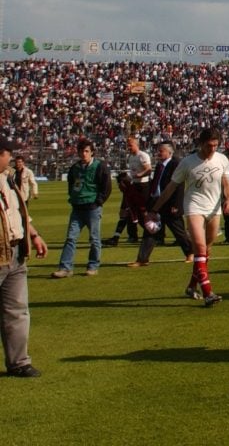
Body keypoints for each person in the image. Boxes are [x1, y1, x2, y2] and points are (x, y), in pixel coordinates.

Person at [153, 127, 229, 306]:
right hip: (194, 207)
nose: (212, 149)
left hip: (214, 209)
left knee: (206, 252)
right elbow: (171, 187)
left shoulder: (222, 159)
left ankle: (191, 287)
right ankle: (208, 293)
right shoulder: (188, 162)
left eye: (215, 145)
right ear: (201, 144)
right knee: (200, 247)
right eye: (209, 145)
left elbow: (227, 184)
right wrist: (155, 208)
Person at [0, 139, 49, 377]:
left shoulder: (8, 178)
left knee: (17, 310)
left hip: (16, 251)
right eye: (7, 155)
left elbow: (18, 211)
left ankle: (19, 362)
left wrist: (34, 234)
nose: (10, 160)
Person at [52, 138, 112, 278]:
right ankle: (65, 268)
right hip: (77, 208)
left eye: (87, 151)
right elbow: (71, 184)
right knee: (71, 238)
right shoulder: (75, 168)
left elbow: (106, 187)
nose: (84, 154)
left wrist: (99, 201)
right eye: (81, 151)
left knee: (94, 239)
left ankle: (93, 266)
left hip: (92, 208)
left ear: (92, 153)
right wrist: (73, 197)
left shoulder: (100, 166)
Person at [129, 141, 193, 267]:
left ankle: (190, 252)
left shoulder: (175, 164)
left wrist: (176, 205)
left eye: (161, 150)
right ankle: (142, 259)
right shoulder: (159, 165)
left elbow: (179, 186)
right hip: (157, 202)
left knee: (178, 230)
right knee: (150, 231)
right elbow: (156, 183)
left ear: (169, 152)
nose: (158, 153)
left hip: (170, 203)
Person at [104, 136, 150, 247]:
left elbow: (148, 169)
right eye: (127, 145)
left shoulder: (142, 155)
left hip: (143, 186)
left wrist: (138, 175)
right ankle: (130, 236)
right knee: (128, 211)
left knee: (141, 213)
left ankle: (152, 234)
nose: (128, 147)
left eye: (130, 145)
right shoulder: (131, 157)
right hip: (134, 186)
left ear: (136, 145)